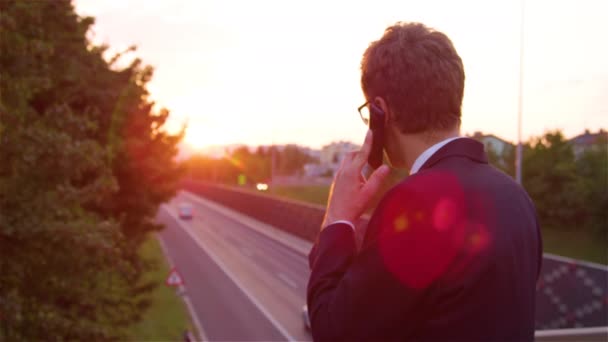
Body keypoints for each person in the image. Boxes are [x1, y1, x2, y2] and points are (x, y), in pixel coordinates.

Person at [307, 22, 542, 341]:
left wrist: (336, 220)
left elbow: (333, 329)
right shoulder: (516, 198)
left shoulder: (415, 206)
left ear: (381, 111)